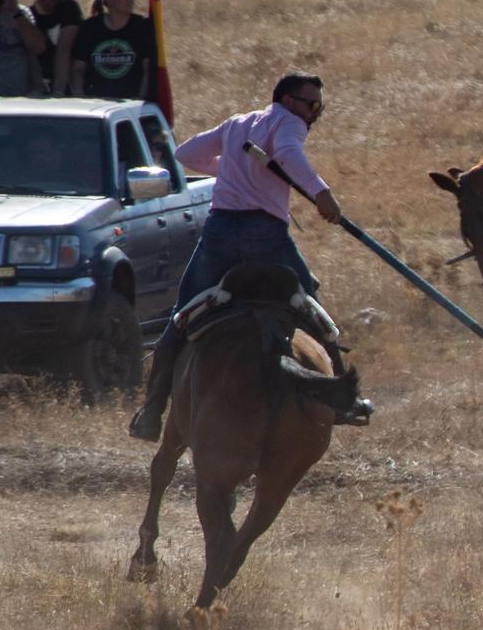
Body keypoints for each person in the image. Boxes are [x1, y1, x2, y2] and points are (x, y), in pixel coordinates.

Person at [128, 72, 371, 440]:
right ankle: (345, 400)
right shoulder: (289, 123)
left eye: (319, 107)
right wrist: (321, 193)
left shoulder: (238, 124)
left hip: (220, 233)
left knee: (181, 316)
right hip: (266, 237)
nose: (315, 114)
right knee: (312, 309)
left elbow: (186, 154)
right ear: (288, 101)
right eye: (312, 105)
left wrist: (230, 169)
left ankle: (152, 411)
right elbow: (288, 154)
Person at [68, 0, 159, 101]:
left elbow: (147, 68)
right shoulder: (89, 28)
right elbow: (77, 68)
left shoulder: (143, 27)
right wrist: (81, 99)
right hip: (95, 104)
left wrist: (140, 98)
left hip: (131, 104)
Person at [27, 0, 83, 93]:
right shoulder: (27, 17)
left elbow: (63, 51)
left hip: (64, 87)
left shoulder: (68, 8)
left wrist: (57, 96)